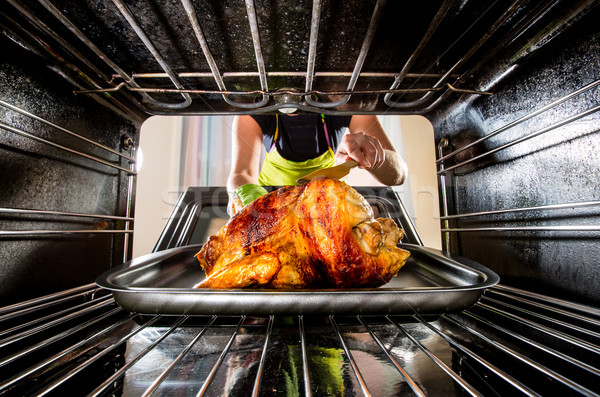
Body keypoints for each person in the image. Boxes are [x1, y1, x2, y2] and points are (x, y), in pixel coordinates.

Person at [227, 114, 407, 214]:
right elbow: (241, 173)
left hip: (324, 207)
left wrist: (374, 155)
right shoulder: (254, 112)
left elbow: (399, 175)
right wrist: (249, 200)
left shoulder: (343, 103)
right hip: (272, 204)